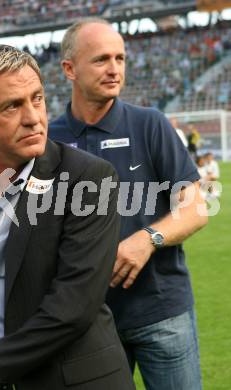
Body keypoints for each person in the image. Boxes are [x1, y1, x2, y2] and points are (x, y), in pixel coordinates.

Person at [0, 45, 135, 390]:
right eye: (13, 105)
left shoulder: (87, 178)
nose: (33, 117)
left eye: (38, 99)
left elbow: (71, 309)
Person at [49, 18, 208, 390]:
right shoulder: (48, 140)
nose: (115, 69)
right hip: (88, 322)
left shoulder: (149, 124)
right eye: (102, 59)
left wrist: (147, 237)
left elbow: (196, 207)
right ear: (69, 69)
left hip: (161, 312)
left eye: (120, 58)